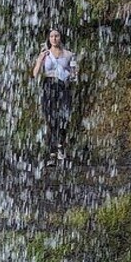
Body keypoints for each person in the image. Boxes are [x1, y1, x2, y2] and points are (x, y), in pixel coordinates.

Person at [32, 29, 78, 164]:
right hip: (48, 85)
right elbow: (35, 73)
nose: (54, 38)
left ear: (61, 37)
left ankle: (61, 148)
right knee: (50, 118)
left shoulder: (69, 54)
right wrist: (40, 60)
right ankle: (52, 152)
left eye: (56, 36)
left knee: (64, 117)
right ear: (48, 38)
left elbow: (74, 73)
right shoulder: (44, 55)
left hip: (63, 86)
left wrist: (73, 74)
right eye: (51, 36)